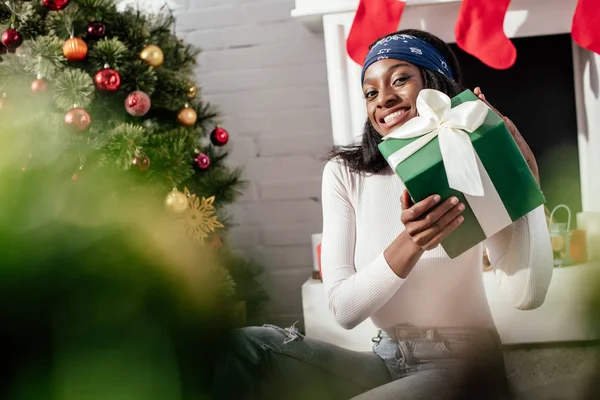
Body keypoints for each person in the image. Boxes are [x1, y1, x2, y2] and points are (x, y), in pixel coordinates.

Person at [212, 29, 553, 400]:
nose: (384, 99)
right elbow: (344, 309)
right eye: (371, 92)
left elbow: (527, 294)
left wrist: (525, 187)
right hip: (384, 360)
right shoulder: (345, 173)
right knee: (243, 348)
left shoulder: (467, 162)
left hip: (468, 368)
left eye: (400, 79)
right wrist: (412, 241)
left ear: (434, 83)